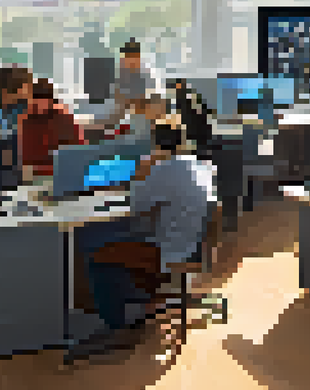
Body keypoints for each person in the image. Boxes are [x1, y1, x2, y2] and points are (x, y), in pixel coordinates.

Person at [66, 121, 215, 365]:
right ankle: (138, 301)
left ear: (156, 144)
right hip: (193, 246)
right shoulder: (201, 167)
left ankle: (117, 327)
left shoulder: (163, 170)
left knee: (97, 256)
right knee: (119, 241)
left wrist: (145, 168)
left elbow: (136, 205)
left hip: (166, 251)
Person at [18, 79, 84, 178]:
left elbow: (76, 151)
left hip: (64, 171)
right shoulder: (26, 120)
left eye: (42, 100)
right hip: (37, 174)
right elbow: (25, 157)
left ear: (50, 100)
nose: (38, 106)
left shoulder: (63, 117)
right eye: (35, 101)